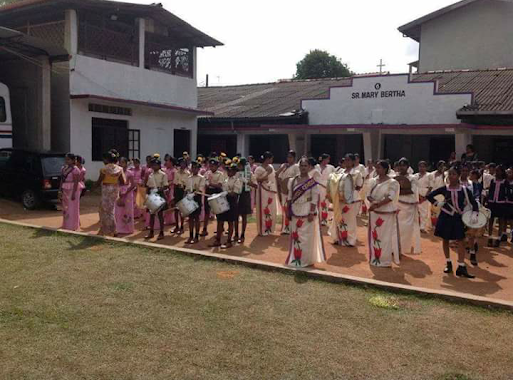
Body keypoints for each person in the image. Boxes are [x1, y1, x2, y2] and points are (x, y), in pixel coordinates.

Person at [426, 166, 479, 278]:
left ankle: (461, 265)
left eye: (454, 174)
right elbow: (429, 196)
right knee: (445, 239)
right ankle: (448, 262)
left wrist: (474, 214)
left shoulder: (464, 190)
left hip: (457, 218)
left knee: (461, 240)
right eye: (449, 174)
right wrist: (437, 203)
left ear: (458, 175)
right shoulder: (444, 189)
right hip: (445, 216)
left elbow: (474, 203)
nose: (451, 176)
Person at [286, 157, 326, 267]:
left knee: (306, 237)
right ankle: (295, 258)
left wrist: (312, 212)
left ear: (309, 167)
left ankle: (305, 260)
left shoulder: (312, 182)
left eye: (305, 166)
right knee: (296, 235)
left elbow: (314, 198)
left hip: (307, 210)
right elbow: (289, 197)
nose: (303, 168)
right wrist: (288, 210)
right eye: (301, 166)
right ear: (299, 167)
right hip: (295, 210)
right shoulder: (293, 180)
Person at [367, 160, 401, 267]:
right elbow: (368, 195)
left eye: (379, 167)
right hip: (374, 212)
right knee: (375, 235)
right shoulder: (373, 181)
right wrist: (373, 203)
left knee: (385, 236)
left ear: (386, 169)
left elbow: (390, 197)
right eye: (376, 167)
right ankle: (374, 258)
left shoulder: (393, 182)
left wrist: (377, 204)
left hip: (386, 213)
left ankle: (384, 260)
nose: (377, 170)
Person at [329, 153, 363, 247]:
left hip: (351, 200)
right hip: (339, 199)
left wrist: (348, 191)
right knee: (338, 218)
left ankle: (350, 240)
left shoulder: (357, 173)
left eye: (349, 160)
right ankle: (337, 238)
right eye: (345, 160)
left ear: (353, 161)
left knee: (349, 219)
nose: (346, 162)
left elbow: (359, 186)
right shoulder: (340, 172)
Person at [95, 150, 125, 237]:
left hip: (106, 190)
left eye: (104, 159)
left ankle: (112, 230)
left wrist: (92, 188)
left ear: (107, 160)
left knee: (104, 210)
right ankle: (106, 229)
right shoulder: (120, 169)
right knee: (110, 210)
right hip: (115, 190)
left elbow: (98, 181)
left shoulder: (104, 169)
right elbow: (123, 181)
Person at [211, 164, 242, 248]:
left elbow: (235, 193)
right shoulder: (226, 180)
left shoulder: (237, 181)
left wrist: (227, 193)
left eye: (231, 171)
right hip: (224, 201)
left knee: (230, 222)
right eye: (228, 170)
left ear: (235, 172)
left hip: (232, 202)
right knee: (220, 221)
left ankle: (229, 241)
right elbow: (223, 189)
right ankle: (218, 240)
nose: (229, 172)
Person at [396, 158, 421, 255]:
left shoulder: (412, 178)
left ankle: (403, 249)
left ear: (407, 167)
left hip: (408, 207)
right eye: (400, 165)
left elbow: (413, 191)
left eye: (404, 165)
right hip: (397, 205)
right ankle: (395, 247)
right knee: (395, 227)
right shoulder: (394, 177)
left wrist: (400, 191)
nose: (402, 167)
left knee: (405, 228)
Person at [255, 151, 279, 236]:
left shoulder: (271, 166)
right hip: (263, 191)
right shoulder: (259, 169)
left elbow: (274, 176)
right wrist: (267, 173)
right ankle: (263, 230)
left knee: (271, 209)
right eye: (271, 158)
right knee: (264, 209)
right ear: (268, 159)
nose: (272, 160)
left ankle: (270, 229)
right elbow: (257, 180)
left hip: (271, 190)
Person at [276, 150, 300, 235]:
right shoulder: (284, 166)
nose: (289, 159)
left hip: (291, 191)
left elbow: (298, 178)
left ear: (294, 158)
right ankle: (285, 228)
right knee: (284, 208)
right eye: (288, 157)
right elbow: (277, 175)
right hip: (283, 191)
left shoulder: (296, 166)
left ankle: (291, 228)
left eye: (290, 157)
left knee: (291, 209)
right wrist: (282, 168)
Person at [145, 157, 168, 240]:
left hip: (159, 193)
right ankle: (151, 232)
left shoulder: (163, 174)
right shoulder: (150, 175)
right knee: (151, 214)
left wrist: (158, 189)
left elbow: (166, 186)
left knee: (160, 215)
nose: (154, 167)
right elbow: (148, 186)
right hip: (152, 194)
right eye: (153, 165)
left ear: (159, 166)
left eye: (156, 165)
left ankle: (161, 232)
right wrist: (147, 195)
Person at [202, 158, 225, 237]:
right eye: (210, 166)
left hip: (217, 191)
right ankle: (204, 229)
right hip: (208, 191)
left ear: (217, 166)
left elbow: (219, 185)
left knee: (218, 211)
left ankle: (220, 228)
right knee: (207, 211)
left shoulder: (220, 174)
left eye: (213, 166)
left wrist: (211, 184)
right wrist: (207, 184)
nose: (211, 167)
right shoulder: (207, 173)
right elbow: (204, 182)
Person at [487, 165, 508, 247]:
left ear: (502, 172)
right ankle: (490, 237)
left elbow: (507, 193)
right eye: (496, 171)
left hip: (501, 203)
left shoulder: (505, 182)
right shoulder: (493, 180)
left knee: (501, 221)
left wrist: (505, 201)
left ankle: (498, 238)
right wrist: (488, 200)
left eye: (498, 171)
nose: (497, 172)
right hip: (492, 202)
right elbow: (490, 190)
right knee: (491, 220)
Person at [185, 161, 205, 244]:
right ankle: (190, 235)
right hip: (189, 198)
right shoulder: (189, 178)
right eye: (193, 168)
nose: (194, 169)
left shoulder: (201, 178)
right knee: (190, 218)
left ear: (199, 169)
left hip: (197, 198)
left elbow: (200, 189)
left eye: (196, 168)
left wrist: (193, 193)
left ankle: (196, 236)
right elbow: (186, 189)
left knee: (196, 218)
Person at [59, 153, 81, 231]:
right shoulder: (63, 168)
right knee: (65, 207)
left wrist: (74, 193)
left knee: (73, 207)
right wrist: (60, 189)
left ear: (72, 160)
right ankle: (66, 224)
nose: (66, 161)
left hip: (73, 189)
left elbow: (76, 182)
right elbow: (62, 179)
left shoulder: (75, 169)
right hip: (65, 188)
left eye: (68, 159)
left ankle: (73, 226)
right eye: (66, 159)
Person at [235, 157, 254, 243]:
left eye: (239, 165)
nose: (238, 167)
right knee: (235, 215)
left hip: (245, 195)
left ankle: (242, 234)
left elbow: (255, 185)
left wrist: (246, 181)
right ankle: (235, 234)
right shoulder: (236, 173)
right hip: (237, 194)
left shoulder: (249, 173)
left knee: (244, 215)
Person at [115, 157, 136, 235]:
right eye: (120, 162)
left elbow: (133, 185)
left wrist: (126, 192)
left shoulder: (129, 173)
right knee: (119, 210)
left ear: (126, 164)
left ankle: (128, 228)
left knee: (128, 210)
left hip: (128, 193)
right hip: (119, 191)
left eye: (123, 162)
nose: (121, 164)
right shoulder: (117, 173)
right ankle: (119, 228)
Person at [315, 153, 336, 226]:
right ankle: (318, 219)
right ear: (323, 159)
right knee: (317, 204)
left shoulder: (331, 167)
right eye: (327, 159)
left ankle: (324, 219)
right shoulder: (316, 167)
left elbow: (334, 177)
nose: (328, 160)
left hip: (326, 188)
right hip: (317, 187)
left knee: (325, 204)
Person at [171, 158, 190, 234]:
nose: (182, 165)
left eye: (183, 163)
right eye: (181, 163)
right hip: (177, 191)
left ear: (185, 164)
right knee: (176, 209)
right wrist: (174, 193)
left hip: (184, 191)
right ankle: (176, 226)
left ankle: (182, 226)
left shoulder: (188, 173)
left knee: (182, 210)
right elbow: (175, 182)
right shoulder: (177, 172)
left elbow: (187, 184)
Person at [415, 161, 432, 233]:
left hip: (425, 193)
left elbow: (431, 187)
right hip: (416, 194)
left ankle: (422, 227)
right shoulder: (415, 175)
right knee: (415, 211)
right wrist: (418, 195)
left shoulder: (429, 175)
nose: (421, 168)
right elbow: (413, 186)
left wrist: (425, 197)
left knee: (424, 212)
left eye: (423, 166)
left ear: (426, 167)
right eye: (420, 166)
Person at [163, 157, 176, 226]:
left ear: (171, 162)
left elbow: (174, 180)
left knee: (171, 203)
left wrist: (168, 184)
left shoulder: (174, 171)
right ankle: (167, 220)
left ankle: (172, 220)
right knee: (167, 203)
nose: (166, 162)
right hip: (166, 188)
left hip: (171, 188)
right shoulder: (166, 170)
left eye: (168, 161)